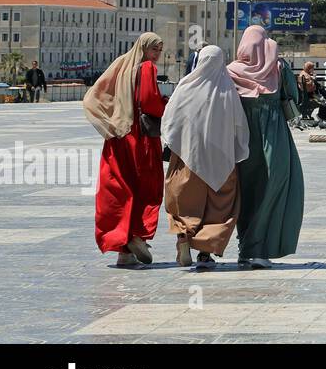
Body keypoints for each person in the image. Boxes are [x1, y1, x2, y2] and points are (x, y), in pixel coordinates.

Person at [162, 45, 250, 270]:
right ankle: (204, 251)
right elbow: (239, 125)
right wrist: (240, 150)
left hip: (187, 156)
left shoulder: (186, 86)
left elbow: (170, 120)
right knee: (219, 205)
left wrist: (177, 144)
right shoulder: (228, 91)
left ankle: (184, 235)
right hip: (220, 159)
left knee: (185, 200)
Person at [83, 32, 167, 267]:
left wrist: (109, 120)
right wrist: (166, 105)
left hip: (117, 137)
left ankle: (124, 250)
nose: (157, 54)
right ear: (145, 49)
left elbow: (95, 96)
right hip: (140, 139)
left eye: (159, 49)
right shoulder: (147, 67)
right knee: (146, 185)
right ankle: (138, 236)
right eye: (154, 49)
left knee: (120, 189)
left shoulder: (121, 64)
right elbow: (150, 101)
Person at [227, 25, 305, 269]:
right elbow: (294, 97)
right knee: (272, 188)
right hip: (275, 137)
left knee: (245, 191)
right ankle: (259, 249)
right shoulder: (278, 68)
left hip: (240, 140)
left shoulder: (230, 71)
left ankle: (245, 248)